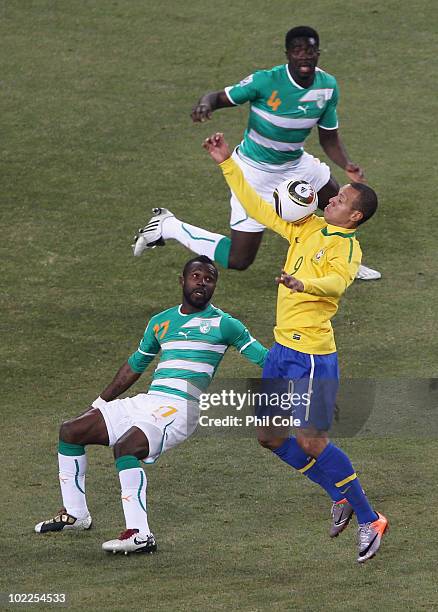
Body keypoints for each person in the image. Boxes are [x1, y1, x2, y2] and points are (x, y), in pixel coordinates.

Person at [202, 132, 388, 563]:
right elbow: (257, 209)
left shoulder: (347, 248)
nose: (332, 198)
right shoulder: (307, 227)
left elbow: (336, 283)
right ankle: (336, 494)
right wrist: (226, 162)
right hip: (282, 350)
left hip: (312, 357)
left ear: (354, 215)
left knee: (310, 439)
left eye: (340, 198)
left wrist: (303, 283)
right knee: (269, 436)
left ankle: (369, 517)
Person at [34, 256, 268, 554]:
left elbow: (264, 358)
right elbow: (135, 366)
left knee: (126, 447)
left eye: (209, 279)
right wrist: (98, 403)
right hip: (149, 402)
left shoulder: (225, 325)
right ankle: (76, 514)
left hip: (181, 408)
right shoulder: (161, 321)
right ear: (182, 281)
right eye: (196, 276)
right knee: (71, 431)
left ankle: (140, 535)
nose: (202, 282)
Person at [133, 25, 380, 281]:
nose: (304, 55)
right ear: (287, 54)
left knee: (340, 202)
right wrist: (205, 105)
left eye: (310, 50)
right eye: (297, 50)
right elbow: (217, 97)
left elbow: (328, 137)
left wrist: (347, 164)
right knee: (239, 259)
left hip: (296, 165)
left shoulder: (327, 86)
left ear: (318, 52)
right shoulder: (265, 81)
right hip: (253, 171)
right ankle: (169, 225)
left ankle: (342, 261)